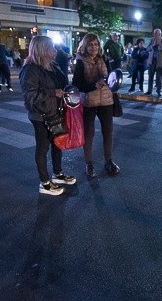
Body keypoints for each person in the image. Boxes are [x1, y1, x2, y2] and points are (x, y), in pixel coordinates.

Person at [20, 35, 77, 195]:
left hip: (56, 112)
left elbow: (64, 84)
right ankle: (44, 182)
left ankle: (58, 174)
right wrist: (54, 93)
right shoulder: (30, 70)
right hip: (41, 116)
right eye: (51, 47)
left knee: (58, 143)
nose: (55, 50)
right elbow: (30, 96)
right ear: (42, 50)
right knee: (43, 148)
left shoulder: (52, 66)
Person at [72, 33, 120, 178]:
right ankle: (89, 164)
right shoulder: (80, 62)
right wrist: (94, 85)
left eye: (96, 44)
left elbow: (111, 76)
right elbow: (77, 85)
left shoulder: (104, 59)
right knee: (89, 134)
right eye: (90, 44)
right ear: (85, 46)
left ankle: (109, 161)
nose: (94, 47)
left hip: (106, 100)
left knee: (108, 132)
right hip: (89, 102)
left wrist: (114, 81)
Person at [145, 28, 162, 97]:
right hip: (152, 62)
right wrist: (153, 45)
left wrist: (160, 45)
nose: (155, 35)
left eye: (156, 34)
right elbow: (147, 49)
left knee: (159, 78)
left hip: (159, 62)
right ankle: (149, 91)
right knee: (150, 77)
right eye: (154, 34)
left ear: (160, 34)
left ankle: (158, 91)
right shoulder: (152, 40)